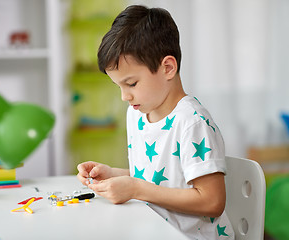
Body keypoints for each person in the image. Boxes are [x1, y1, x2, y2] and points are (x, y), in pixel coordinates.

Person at [77, 5, 235, 239]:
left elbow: (212, 201)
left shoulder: (192, 122)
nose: (124, 96)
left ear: (168, 68)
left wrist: (136, 189)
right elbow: (158, 177)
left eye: (131, 84)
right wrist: (112, 174)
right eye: (118, 86)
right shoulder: (137, 113)